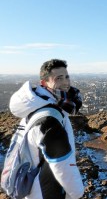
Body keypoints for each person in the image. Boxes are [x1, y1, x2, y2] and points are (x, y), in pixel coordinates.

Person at [9, 59, 84, 199]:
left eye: (67, 76)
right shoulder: (49, 119)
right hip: (47, 189)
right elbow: (63, 166)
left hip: (34, 184)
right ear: (44, 83)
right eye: (58, 78)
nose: (66, 82)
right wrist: (77, 193)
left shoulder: (39, 105)